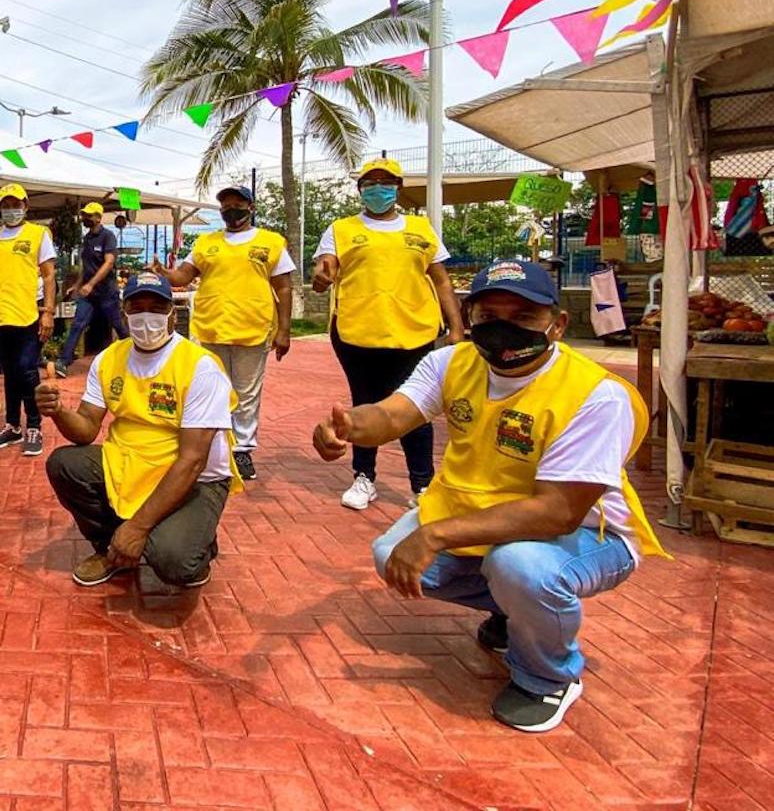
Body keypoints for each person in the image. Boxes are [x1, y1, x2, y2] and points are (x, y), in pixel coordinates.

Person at [313, 260, 669, 733]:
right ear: (470, 315)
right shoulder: (451, 362)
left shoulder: (595, 396)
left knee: (520, 568)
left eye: (522, 318)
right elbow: (392, 416)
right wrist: (348, 427)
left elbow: (558, 513)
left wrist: (434, 535)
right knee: (389, 555)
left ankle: (548, 677)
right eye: (489, 316)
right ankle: (515, 612)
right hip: (490, 516)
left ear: (557, 324)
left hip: (592, 536)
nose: (503, 330)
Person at [37, 272, 243, 589]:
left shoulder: (200, 366)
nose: (147, 316)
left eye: (157, 308)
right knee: (65, 464)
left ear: (173, 312)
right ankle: (110, 549)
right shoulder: (109, 359)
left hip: (193, 478)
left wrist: (137, 528)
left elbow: (192, 461)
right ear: (124, 313)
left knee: (173, 561)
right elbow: (86, 430)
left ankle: (197, 545)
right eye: (137, 307)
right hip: (130, 463)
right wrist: (59, 411)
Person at [312, 158, 464, 510]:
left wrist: (456, 327)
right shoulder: (341, 228)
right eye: (370, 182)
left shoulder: (421, 228)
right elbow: (326, 266)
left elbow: (441, 279)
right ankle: (364, 478)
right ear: (360, 189)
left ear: (397, 186)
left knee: (415, 405)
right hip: (356, 331)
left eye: (385, 181)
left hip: (415, 331)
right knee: (365, 402)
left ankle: (422, 485)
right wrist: (322, 275)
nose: (377, 187)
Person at [153, 185, 294, 481]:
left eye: (237, 204)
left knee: (245, 394)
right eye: (225, 205)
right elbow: (184, 276)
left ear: (250, 207)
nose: (231, 209)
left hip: (252, 330)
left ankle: (241, 451)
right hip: (209, 328)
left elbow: (283, 287)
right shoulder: (206, 242)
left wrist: (284, 329)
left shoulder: (271, 242)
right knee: (208, 391)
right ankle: (209, 448)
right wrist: (166, 274)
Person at [0, 183, 57, 457]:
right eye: (5, 205)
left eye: (16, 204)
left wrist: (49, 312)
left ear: (26, 205)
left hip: (28, 314)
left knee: (27, 370)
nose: (11, 210)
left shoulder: (38, 234)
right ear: (0, 208)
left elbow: (48, 275)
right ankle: (12, 425)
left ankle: (33, 425)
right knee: (10, 372)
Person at [54, 202, 126, 379]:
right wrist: (78, 285)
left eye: (89, 215)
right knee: (78, 324)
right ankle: (63, 362)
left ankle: (134, 355)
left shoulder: (107, 237)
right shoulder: (87, 239)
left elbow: (108, 263)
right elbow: (86, 267)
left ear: (98, 218)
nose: (85, 218)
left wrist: (91, 284)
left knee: (118, 326)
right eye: (84, 215)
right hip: (89, 296)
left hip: (107, 294)